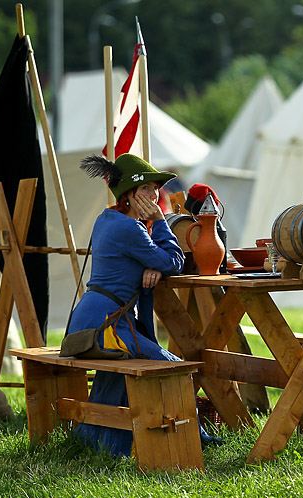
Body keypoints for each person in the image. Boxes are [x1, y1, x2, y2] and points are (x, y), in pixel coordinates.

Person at [71, 153, 219, 457]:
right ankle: (193, 437)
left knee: (118, 373)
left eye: (155, 189)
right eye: (146, 190)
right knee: (175, 368)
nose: (155, 196)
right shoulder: (130, 228)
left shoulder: (107, 218)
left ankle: (93, 441)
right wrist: (160, 222)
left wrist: (149, 266)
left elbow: (149, 262)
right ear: (127, 195)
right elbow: (173, 262)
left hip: (88, 320)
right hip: (107, 326)